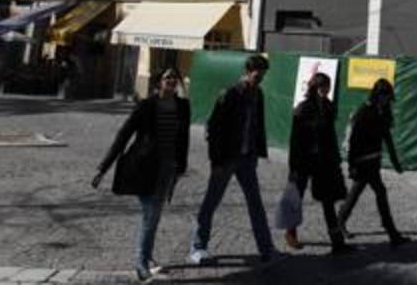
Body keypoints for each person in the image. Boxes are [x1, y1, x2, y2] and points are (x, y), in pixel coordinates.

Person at [92, 67, 191, 283]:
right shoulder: (146, 105)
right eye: (167, 77)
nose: (172, 80)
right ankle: (141, 263)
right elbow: (124, 135)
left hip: (168, 168)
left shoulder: (183, 106)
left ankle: (146, 255)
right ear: (158, 82)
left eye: (174, 77)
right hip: (145, 167)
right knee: (150, 214)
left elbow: (184, 138)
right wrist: (103, 168)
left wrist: (181, 166)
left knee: (155, 214)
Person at [189, 54, 281, 266]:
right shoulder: (230, 93)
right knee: (211, 202)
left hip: (247, 159)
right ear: (247, 72)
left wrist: (257, 152)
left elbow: (257, 125)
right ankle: (197, 247)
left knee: (256, 204)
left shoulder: (258, 94)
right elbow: (212, 127)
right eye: (258, 75)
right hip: (226, 159)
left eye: (263, 75)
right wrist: (216, 161)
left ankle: (266, 249)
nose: (260, 79)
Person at [284, 73, 353, 254]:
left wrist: (335, 158)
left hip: (323, 161)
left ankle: (337, 242)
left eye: (327, 86)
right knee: (296, 197)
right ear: (314, 87)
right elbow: (295, 140)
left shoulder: (329, 106)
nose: (325, 90)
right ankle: (291, 233)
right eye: (322, 86)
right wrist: (294, 165)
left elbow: (330, 135)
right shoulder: (303, 108)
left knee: (328, 200)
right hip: (303, 161)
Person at [339, 78, 409, 247]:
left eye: (388, 97)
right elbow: (354, 140)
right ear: (378, 94)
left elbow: (387, 137)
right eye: (385, 96)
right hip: (362, 163)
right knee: (367, 193)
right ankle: (391, 232)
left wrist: (395, 161)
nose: (387, 100)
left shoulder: (382, 111)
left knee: (370, 193)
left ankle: (390, 231)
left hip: (373, 162)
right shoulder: (364, 111)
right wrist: (352, 165)